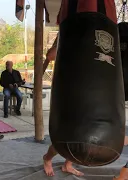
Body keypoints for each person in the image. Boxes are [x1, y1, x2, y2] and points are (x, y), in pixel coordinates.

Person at [42, 34, 84, 177]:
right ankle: (47, 158)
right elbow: (50, 55)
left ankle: (68, 164)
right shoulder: (67, 36)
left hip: (84, 92)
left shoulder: (88, 39)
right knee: (64, 135)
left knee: (80, 135)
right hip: (66, 94)